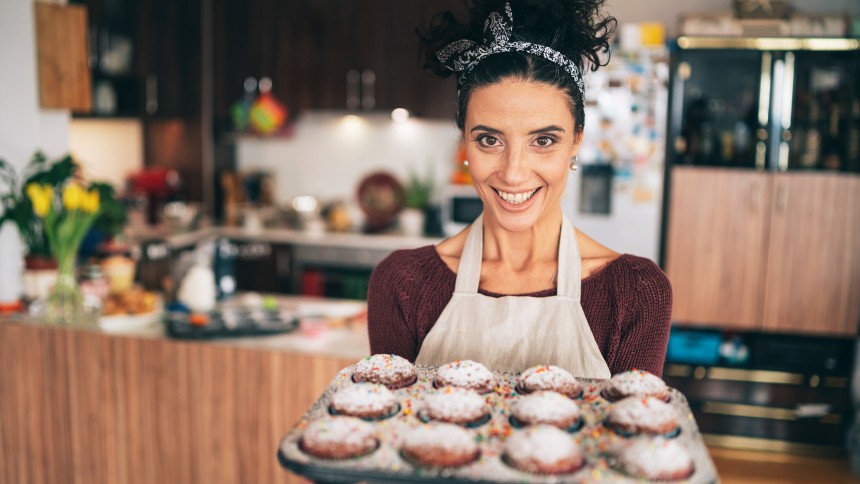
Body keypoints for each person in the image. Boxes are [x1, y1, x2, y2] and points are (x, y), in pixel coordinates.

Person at [367, 0, 672, 378]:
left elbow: (635, 433)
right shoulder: (402, 283)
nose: (513, 174)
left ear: (576, 142)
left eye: (543, 141)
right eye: (489, 140)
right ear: (464, 141)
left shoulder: (636, 292)